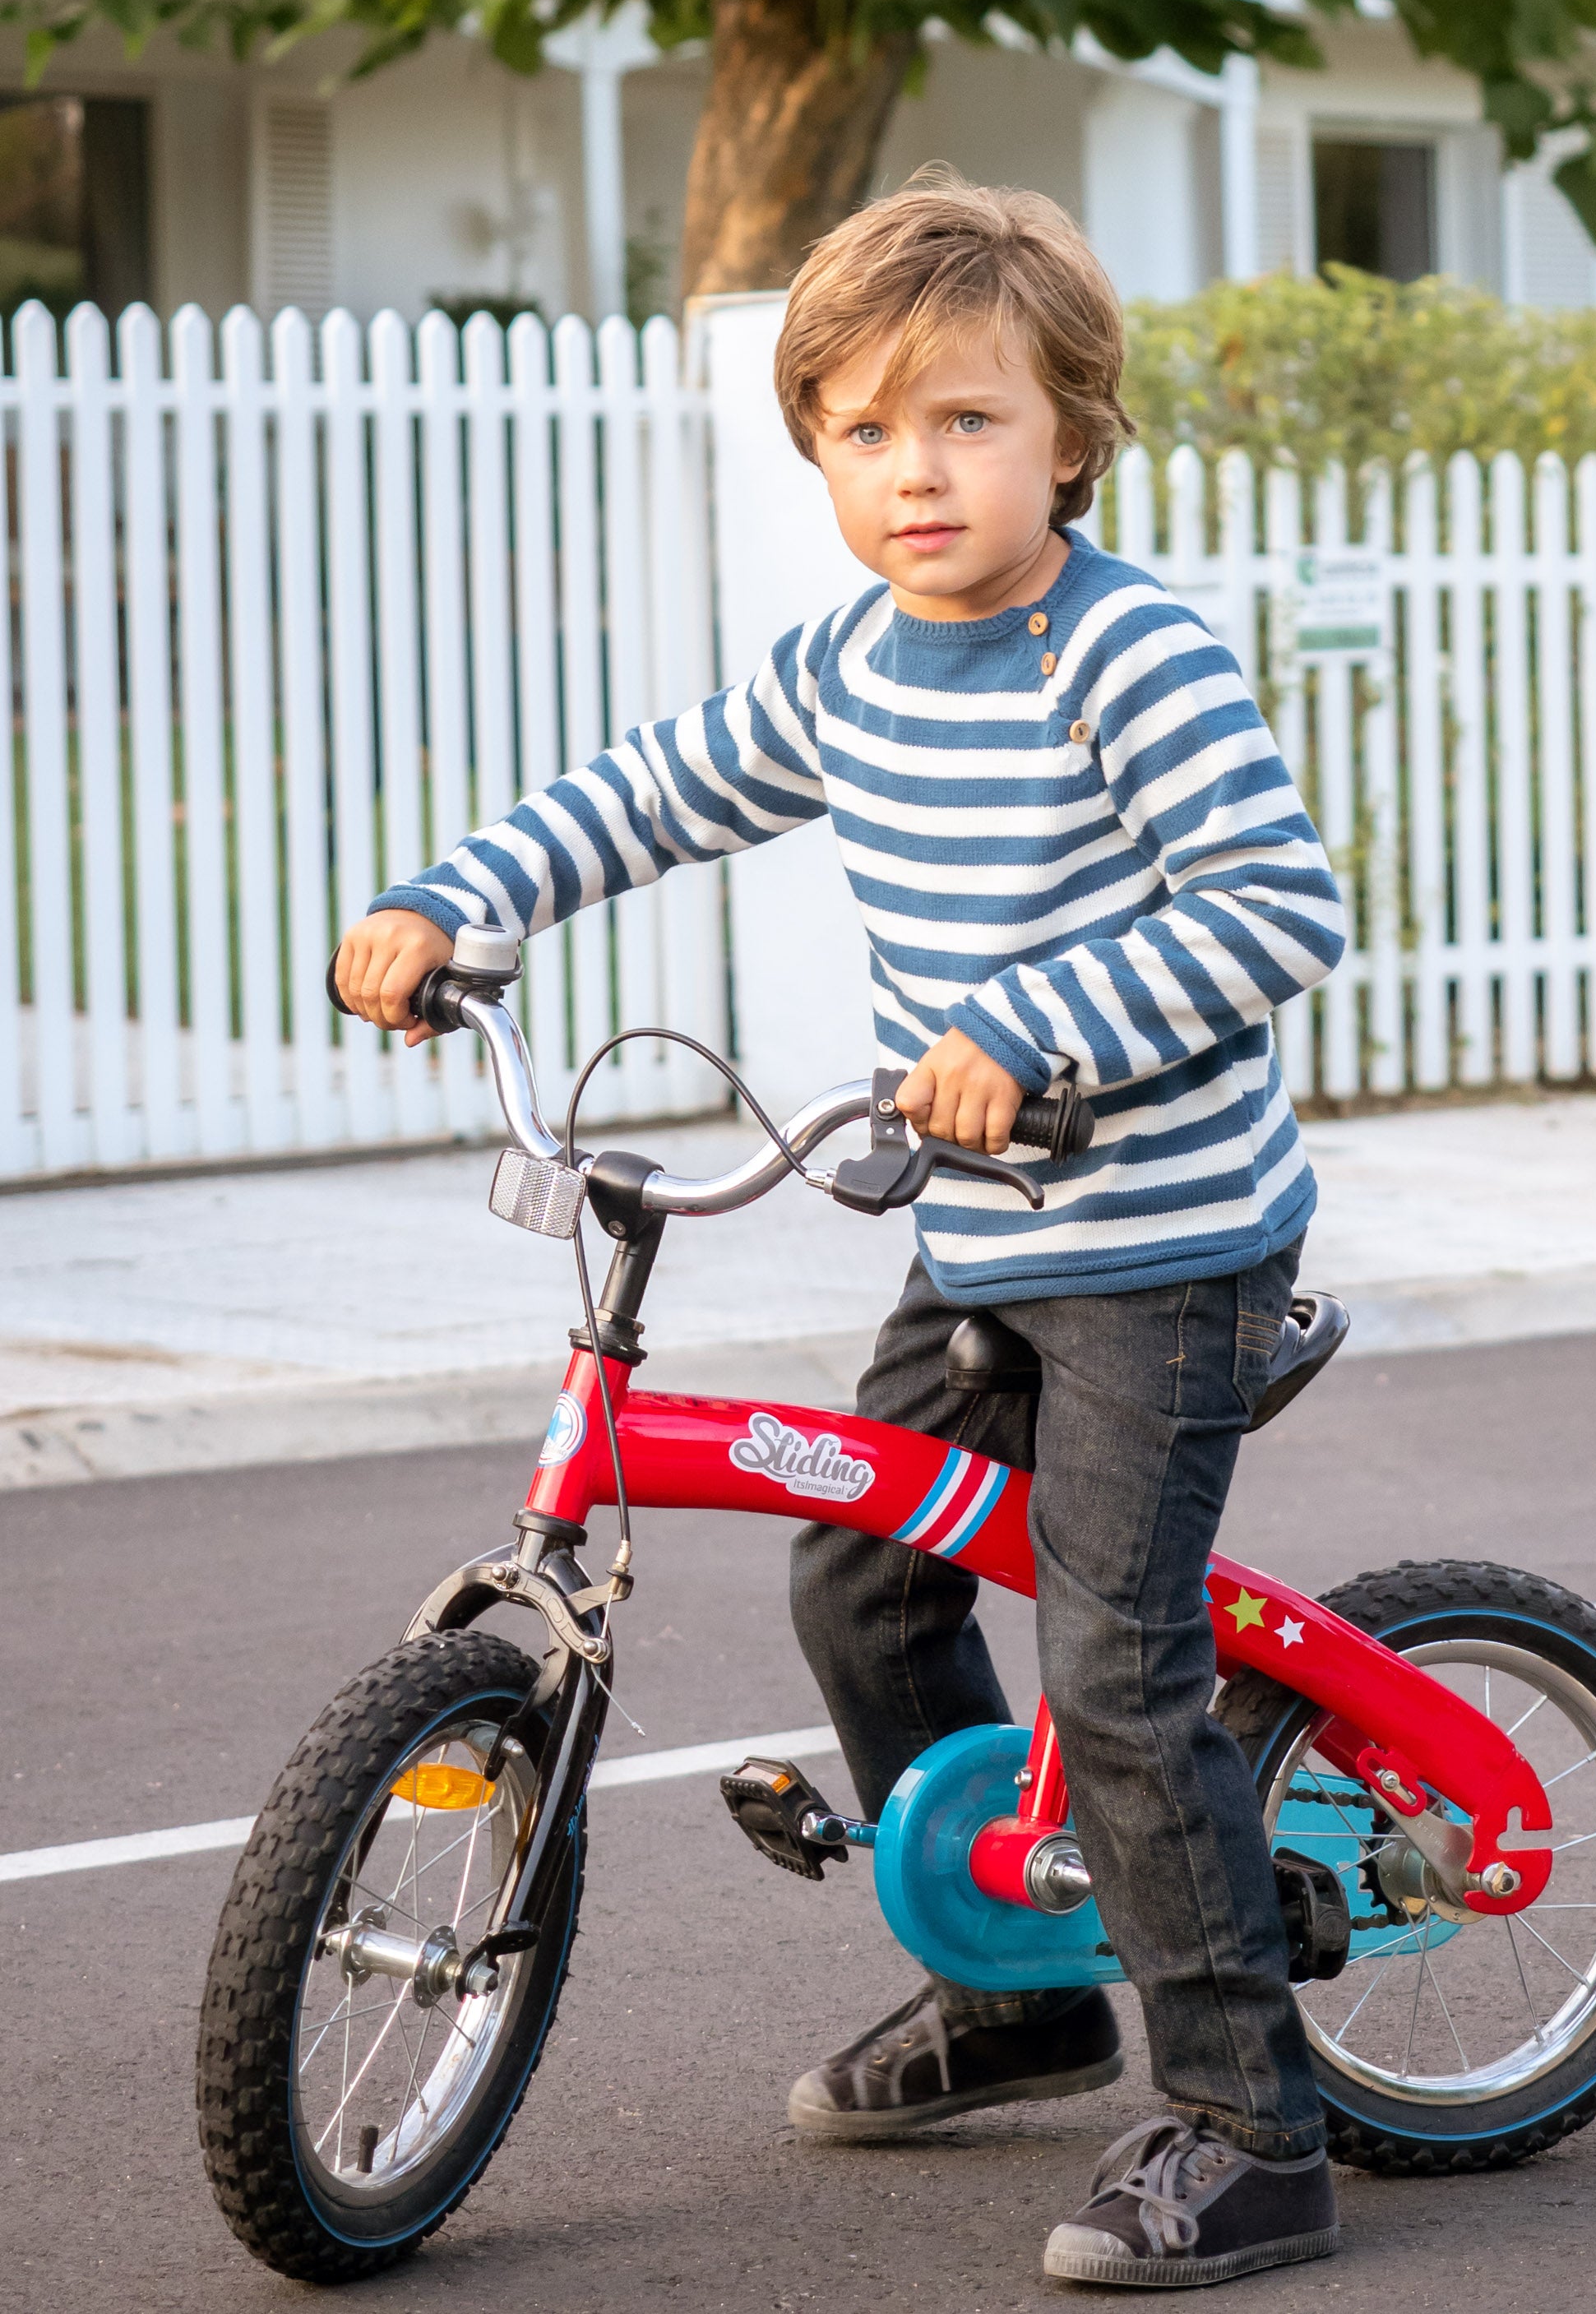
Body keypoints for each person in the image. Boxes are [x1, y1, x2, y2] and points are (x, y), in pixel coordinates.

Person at [335, 173, 1348, 2289]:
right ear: (818, 447)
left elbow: (1280, 907)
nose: (916, 469)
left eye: (968, 421)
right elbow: (655, 782)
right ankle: (1018, 1998)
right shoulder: (853, 666)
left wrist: (1027, 1024)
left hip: (1163, 1246)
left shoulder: (1125, 648)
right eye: (867, 428)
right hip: (976, 1231)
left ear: (1069, 434)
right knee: (864, 1584)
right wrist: (458, 900)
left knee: (1121, 1662)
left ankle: (1252, 2123)